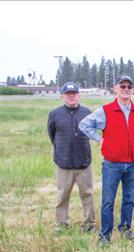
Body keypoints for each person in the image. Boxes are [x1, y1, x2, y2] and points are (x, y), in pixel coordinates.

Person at [79, 75, 134, 246]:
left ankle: (125, 228)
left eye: (129, 86)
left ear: (133, 90)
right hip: (112, 164)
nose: (126, 89)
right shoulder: (105, 110)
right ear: (115, 88)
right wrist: (100, 139)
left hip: (132, 163)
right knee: (108, 200)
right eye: (123, 86)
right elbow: (84, 125)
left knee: (129, 199)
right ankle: (105, 235)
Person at [48, 82, 95, 232]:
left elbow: (93, 132)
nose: (72, 96)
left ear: (78, 95)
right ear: (62, 96)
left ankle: (89, 224)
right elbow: (52, 135)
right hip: (64, 164)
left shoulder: (87, 113)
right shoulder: (55, 114)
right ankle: (61, 225)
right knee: (62, 196)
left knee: (87, 194)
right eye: (68, 94)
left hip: (83, 163)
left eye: (74, 93)